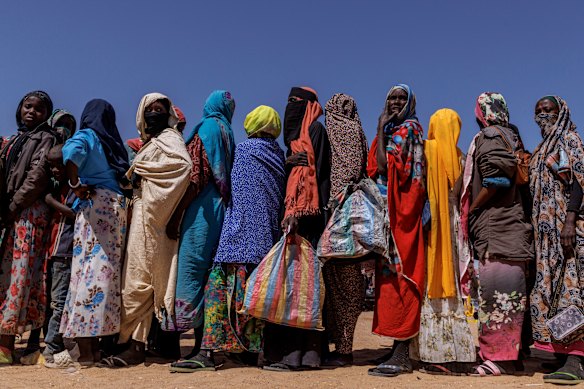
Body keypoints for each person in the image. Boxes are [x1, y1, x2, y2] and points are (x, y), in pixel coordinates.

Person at [170, 105, 286, 372]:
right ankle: (252, 352)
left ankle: (207, 353)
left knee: (218, 295)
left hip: (238, 238)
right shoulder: (279, 156)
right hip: (266, 242)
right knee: (252, 300)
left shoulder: (244, 151)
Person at [102, 93, 192, 367]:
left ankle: (135, 346)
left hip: (153, 217)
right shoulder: (150, 142)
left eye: (160, 109)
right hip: (141, 213)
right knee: (135, 280)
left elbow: (183, 167)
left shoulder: (170, 138)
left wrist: (141, 168)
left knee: (139, 282)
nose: (154, 113)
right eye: (149, 109)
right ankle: (133, 343)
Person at [460, 92, 533, 376]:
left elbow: (497, 179)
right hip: (511, 227)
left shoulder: (490, 135)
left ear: (482, 112)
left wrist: (474, 209)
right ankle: (509, 356)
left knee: (498, 296)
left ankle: (497, 359)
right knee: (510, 296)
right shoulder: (511, 136)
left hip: (497, 228)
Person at [262, 86, 331, 372]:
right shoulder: (292, 142)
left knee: (299, 288)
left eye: (297, 103)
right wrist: (287, 162)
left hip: (306, 221)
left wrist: (298, 216)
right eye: (289, 102)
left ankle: (294, 355)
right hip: (292, 220)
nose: (292, 107)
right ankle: (301, 354)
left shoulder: (314, 131)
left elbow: (316, 176)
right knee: (291, 287)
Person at [165, 90, 236, 362]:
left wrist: (177, 214)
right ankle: (205, 344)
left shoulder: (207, 127)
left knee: (191, 272)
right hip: (220, 207)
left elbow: (197, 175)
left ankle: (197, 348)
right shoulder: (227, 131)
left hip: (201, 210)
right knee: (209, 275)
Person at [59, 99, 129, 366]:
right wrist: (76, 184)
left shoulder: (90, 136)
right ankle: (91, 351)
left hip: (98, 206)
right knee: (100, 276)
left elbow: (71, 155)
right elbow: (71, 155)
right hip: (110, 207)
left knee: (91, 274)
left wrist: (75, 185)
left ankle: (89, 351)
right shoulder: (105, 142)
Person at [410, 108, 476, 374]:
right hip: (455, 229)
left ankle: (431, 353)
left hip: (431, 229)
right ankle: (459, 354)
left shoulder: (425, 150)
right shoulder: (462, 158)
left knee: (431, 284)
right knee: (454, 292)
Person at [366, 84, 425, 378]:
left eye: (402, 97)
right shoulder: (392, 131)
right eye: (392, 97)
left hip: (403, 213)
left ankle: (402, 353)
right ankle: (397, 345)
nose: (396, 102)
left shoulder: (409, 130)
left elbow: (384, 166)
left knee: (403, 277)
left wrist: (379, 127)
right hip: (388, 214)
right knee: (389, 280)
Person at [529, 95, 584, 384]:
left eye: (548, 109)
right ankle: (563, 355)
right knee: (550, 292)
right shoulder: (541, 150)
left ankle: (576, 359)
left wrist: (570, 221)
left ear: (560, 112)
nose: (542, 115)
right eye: (538, 111)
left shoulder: (570, 140)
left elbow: (579, 181)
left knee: (570, 293)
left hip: (567, 230)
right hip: (545, 238)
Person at [0, 91, 55, 364]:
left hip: (27, 214)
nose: (31, 112)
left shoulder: (46, 138)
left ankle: (7, 346)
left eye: (39, 109)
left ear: (47, 115)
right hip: (9, 215)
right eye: (27, 106)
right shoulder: (12, 139)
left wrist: (14, 206)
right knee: (4, 276)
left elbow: (37, 175)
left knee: (17, 278)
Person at [321, 93, 368, 367]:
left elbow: (341, 173)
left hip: (338, 216)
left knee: (339, 287)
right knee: (350, 287)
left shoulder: (335, 127)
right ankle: (343, 346)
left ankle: (343, 349)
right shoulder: (357, 129)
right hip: (356, 218)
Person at [41, 144, 78, 368]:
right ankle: (54, 345)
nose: (55, 170)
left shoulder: (75, 188)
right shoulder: (60, 188)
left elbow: (74, 213)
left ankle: (52, 348)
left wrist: (51, 201)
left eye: (59, 165)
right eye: (51, 166)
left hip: (65, 252)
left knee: (59, 302)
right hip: (56, 254)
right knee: (56, 302)